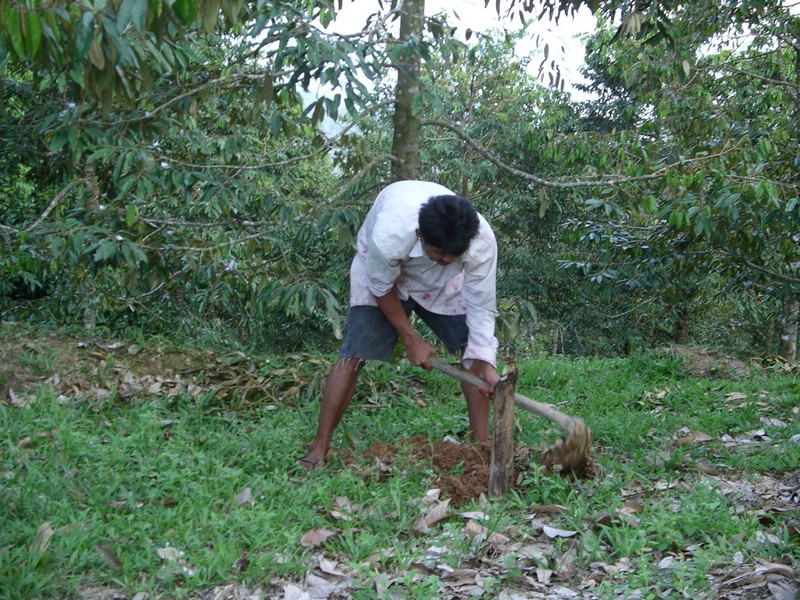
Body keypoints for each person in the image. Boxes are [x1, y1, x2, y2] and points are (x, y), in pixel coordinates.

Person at [299, 180, 499, 470]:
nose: (445, 259)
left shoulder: (480, 242)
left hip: (443, 287)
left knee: (472, 349)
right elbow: (380, 287)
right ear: (420, 235)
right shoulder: (389, 234)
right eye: (438, 253)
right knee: (354, 354)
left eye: (452, 256)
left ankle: (480, 447)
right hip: (384, 275)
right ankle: (319, 447)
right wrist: (410, 339)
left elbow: (481, 303)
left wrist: (486, 361)